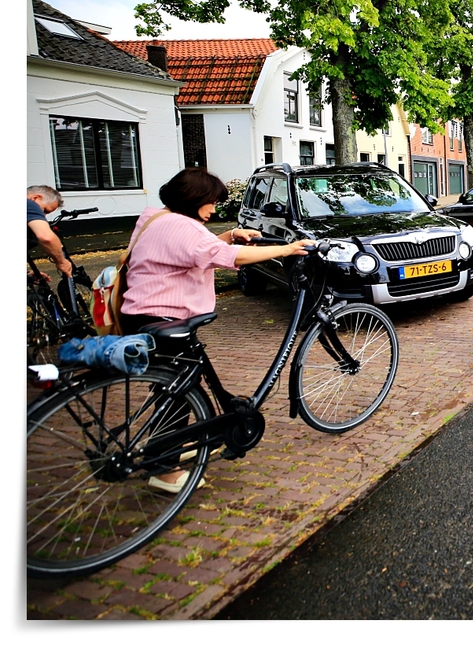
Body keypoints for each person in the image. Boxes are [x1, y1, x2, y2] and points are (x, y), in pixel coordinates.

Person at [120, 168, 314, 493]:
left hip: (141, 315)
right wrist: (285, 249)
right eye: (211, 202)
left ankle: (172, 445)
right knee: (178, 394)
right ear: (194, 199)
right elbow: (229, 258)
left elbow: (189, 250)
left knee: (174, 388)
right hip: (168, 318)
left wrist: (229, 235)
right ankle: (163, 468)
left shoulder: (155, 218)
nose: (214, 209)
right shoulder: (182, 226)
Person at [27, 185, 73, 277]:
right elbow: (47, 238)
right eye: (45, 210)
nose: (43, 216)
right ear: (36, 198)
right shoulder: (29, 204)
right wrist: (61, 262)